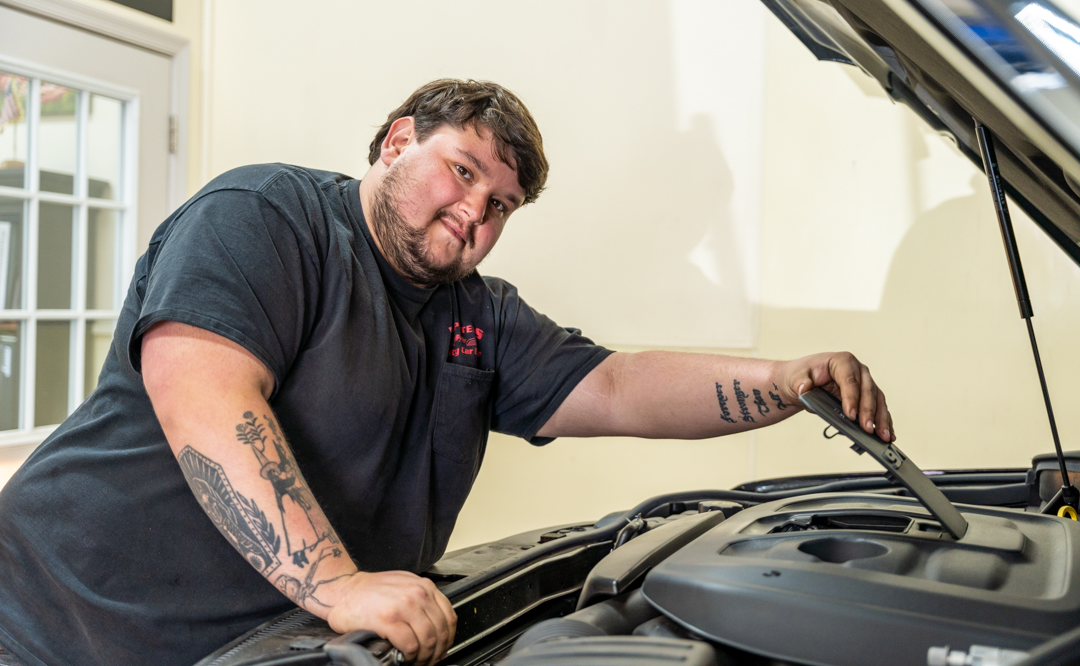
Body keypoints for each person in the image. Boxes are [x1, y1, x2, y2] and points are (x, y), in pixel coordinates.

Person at [0, 79, 893, 666]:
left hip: (256, 644)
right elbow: (202, 398)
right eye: (461, 172)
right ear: (397, 142)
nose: (474, 212)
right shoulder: (264, 217)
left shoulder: (480, 316)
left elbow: (617, 386)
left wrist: (786, 380)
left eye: (500, 204)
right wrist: (338, 585)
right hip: (60, 621)